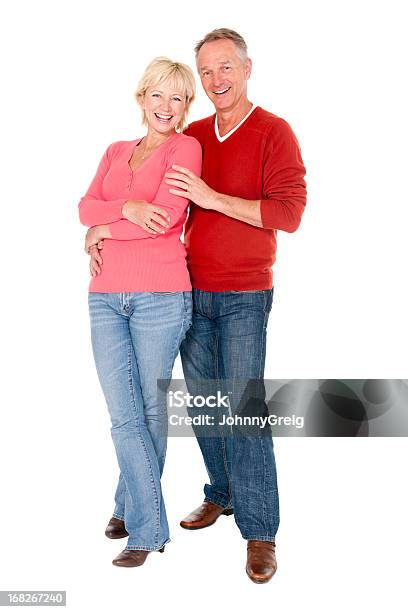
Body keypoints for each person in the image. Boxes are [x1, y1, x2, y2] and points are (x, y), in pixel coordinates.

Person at [164, 29, 307, 583]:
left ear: (248, 69)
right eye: (206, 72)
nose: (216, 80)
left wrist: (212, 198)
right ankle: (222, 494)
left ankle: (260, 530)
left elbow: (288, 213)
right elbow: (153, 190)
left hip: (245, 292)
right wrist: (101, 226)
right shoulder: (192, 134)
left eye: (225, 67)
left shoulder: (274, 132)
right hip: (188, 291)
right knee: (204, 407)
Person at [78, 57, 202, 568]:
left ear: (186, 106)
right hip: (106, 296)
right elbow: (84, 207)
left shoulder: (185, 148)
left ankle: (147, 531)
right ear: (141, 97)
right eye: (158, 95)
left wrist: (106, 228)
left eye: (177, 98)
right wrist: (123, 211)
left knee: (143, 414)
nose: (166, 107)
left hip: (160, 297)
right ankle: (128, 505)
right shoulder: (115, 150)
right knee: (126, 414)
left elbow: (166, 220)